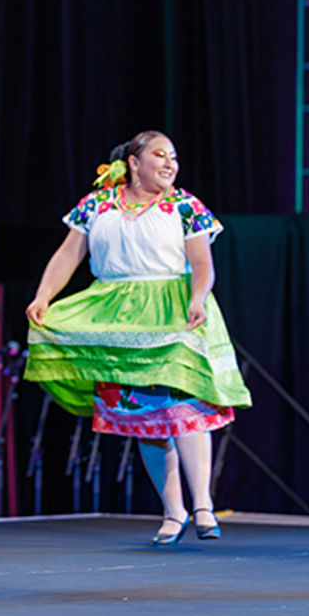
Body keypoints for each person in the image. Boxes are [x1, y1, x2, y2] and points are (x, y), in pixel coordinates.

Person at [24, 131, 251, 546]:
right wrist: (44, 296)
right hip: (116, 313)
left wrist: (198, 297)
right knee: (144, 418)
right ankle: (172, 511)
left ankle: (202, 504)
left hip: (171, 309)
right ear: (134, 161)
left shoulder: (184, 205)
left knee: (184, 405)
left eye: (174, 157)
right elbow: (68, 254)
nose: (169, 164)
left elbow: (202, 262)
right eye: (159, 155)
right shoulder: (97, 205)